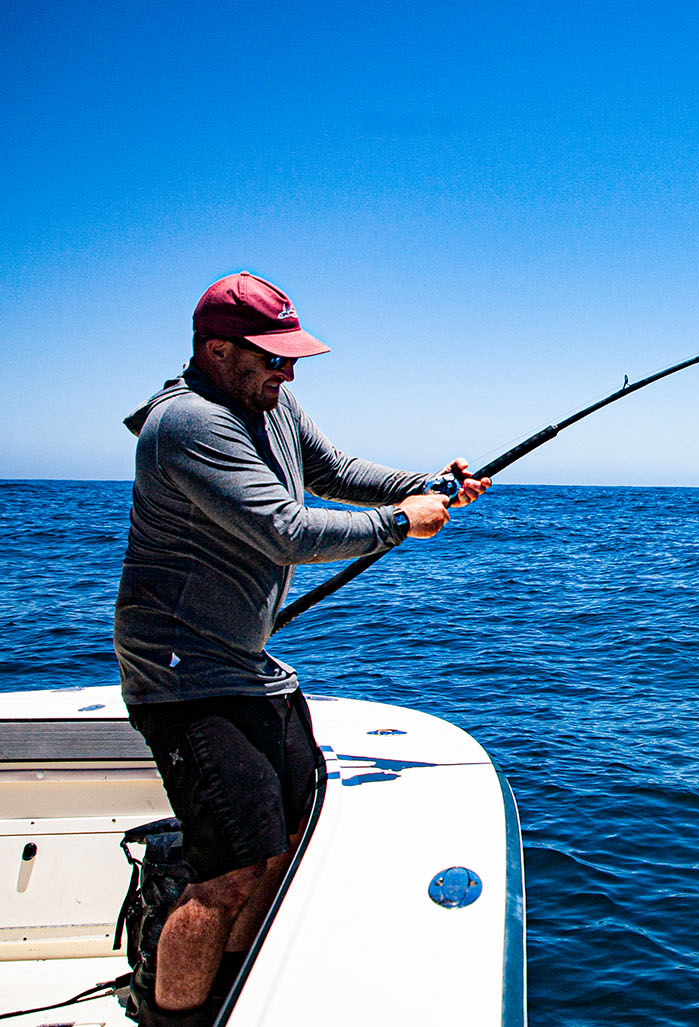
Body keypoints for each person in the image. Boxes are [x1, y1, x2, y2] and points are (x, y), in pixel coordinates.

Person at [113, 271, 490, 1026]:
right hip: (185, 676)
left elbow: (336, 473)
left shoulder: (270, 403)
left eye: (293, 359)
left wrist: (427, 485)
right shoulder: (188, 425)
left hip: (246, 663)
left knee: (285, 837)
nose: (288, 374)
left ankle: (225, 987)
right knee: (225, 874)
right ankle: (173, 1017)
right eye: (274, 359)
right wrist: (397, 523)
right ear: (219, 352)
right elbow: (287, 529)